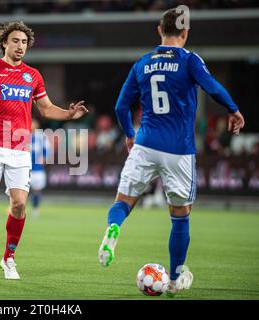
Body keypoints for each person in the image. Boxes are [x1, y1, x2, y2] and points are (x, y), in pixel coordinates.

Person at [97, 8, 245, 296]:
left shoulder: (142, 63)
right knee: (180, 215)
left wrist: (129, 135)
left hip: (145, 143)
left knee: (124, 200)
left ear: (158, 30)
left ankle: (113, 229)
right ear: (185, 33)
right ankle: (176, 279)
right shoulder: (189, 60)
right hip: (178, 150)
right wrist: (233, 109)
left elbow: (120, 107)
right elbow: (211, 87)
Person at [0, 21, 88, 280]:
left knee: (20, 205)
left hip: (20, 148)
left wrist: (68, 114)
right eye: (15, 41)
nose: (20, 46)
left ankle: (8, 258)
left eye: (24, 42)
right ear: (4, 43)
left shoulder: (32, 75)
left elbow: (45, 109)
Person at [30, 118, 50, 218]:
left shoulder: (41, 137)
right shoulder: (24, 136)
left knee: (37, 190)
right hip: (26, 168)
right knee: (21, 191)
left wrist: (45, 158)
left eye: (33, 124)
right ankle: (17, 208)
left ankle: (35, 209)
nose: (31, 126)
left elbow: (47, 150)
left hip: (38, 169)